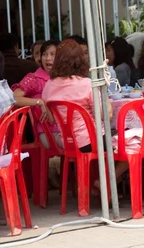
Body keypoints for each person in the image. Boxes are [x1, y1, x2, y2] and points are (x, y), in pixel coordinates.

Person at [41, 40, 128, 191]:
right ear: (81, 60)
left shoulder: (49, 85)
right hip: (91, 141)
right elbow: (106, 115)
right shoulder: (87, 84)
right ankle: (106, 181)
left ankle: (103, 184)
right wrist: (104, 93)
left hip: (67, 142)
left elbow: (50, 118)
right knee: (130, 145)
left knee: (115, 140)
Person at [12, 40, 62, 149]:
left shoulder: (66, 78)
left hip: (68, 130)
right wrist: (39, 102)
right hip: (49, 132)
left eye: (52, 54)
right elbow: (14, 98)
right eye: (44, 54)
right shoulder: (34, 79)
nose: (48, 58)